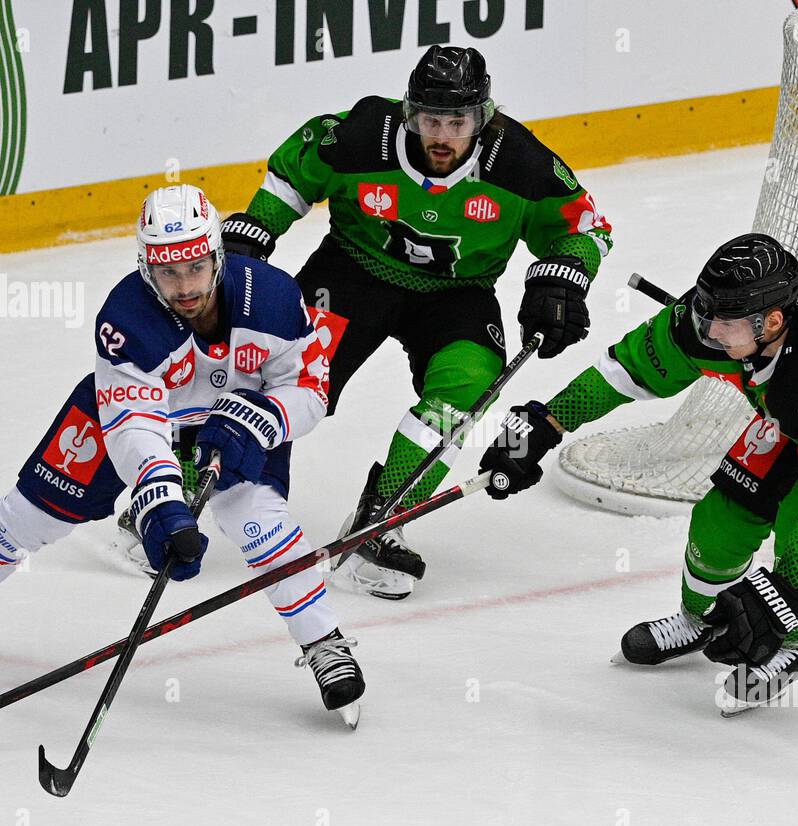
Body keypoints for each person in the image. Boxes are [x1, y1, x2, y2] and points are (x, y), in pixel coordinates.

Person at [0, 185, 365, 726]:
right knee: (28, 515)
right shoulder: (127, 315)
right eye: (169, 271)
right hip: (126, 419)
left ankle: (323, 642)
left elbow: (311, 389)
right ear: (147, 266)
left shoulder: (272, 297)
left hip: (233, 426)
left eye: (196, 267)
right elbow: (134, 426)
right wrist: (161, 503)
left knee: (260, 524)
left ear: (217, 257)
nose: (185, 286)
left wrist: (262, 419)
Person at [479, 234, 798, 714]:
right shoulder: (708, 318)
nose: (708, 332)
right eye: (705, 313)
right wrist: (544, 423)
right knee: (722, 517)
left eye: (725, 324)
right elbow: (625, 371)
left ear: (771, 323)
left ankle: (794, 645)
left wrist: (783, 598)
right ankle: (697, 621)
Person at [221, 44, 613, 600]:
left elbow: (588, 226)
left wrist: (565, 274)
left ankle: (382, 518)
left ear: (482, 118)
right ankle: (188, 487)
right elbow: (294, 173)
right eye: (431, 118)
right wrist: (258, 226)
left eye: (458, 121)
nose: (443, 135)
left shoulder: (521, 162)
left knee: (468, 383)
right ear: (410, 113)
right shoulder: (362, 134)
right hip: (352, 272)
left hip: (457, 295)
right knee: (281, 372)